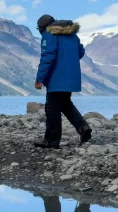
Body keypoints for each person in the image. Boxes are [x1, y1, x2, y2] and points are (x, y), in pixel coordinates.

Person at [33, 14, 92, 149]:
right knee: (65, 103)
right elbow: (81, 52)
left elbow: (47, 57)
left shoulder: (49, 35)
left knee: (52, 108)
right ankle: (83, 127)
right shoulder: (72, 34)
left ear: (42, 27)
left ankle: (51, 141)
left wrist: (39, 79)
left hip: (56, 78)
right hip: (72, 77)